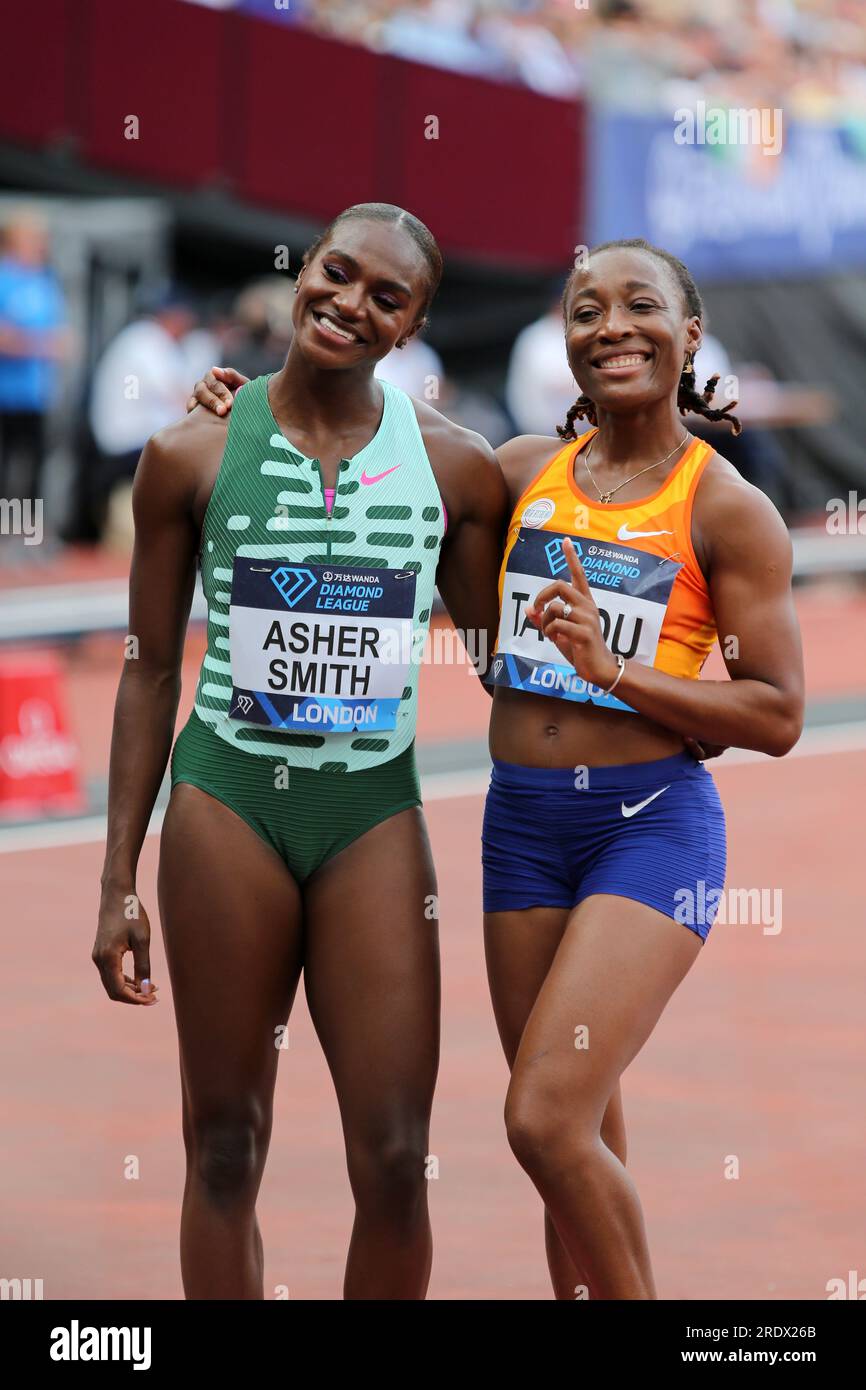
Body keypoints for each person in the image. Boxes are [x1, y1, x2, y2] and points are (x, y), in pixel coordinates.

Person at [189, 236, 804, 1300]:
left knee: (542, 1116)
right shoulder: (516, 471)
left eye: (638, 307)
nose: (609, 326)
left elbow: (777, 711)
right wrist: (251, 406)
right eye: (583, 311)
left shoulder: (724, 508)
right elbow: (366, 437)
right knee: (576, 1140)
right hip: (523, 830)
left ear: (689, 333)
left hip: (648, 824)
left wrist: (622, 675)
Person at [92, 203, 506, 1301]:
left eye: (386, 298)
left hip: (371, 812)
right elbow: (145, 668)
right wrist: (115, 879)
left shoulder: (455, 470)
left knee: (393, 1160)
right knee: (224, 1144)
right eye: (337, 273)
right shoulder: (187, 451)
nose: (348, 304)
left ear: (412, 328)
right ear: (302, 268)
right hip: (227, 801)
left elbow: (509, 663)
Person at [0, 212, 68, 507]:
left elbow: (63, 339)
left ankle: (29, 535)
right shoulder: (4, 278)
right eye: (33, 239)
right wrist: (40, 344)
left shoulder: (45, 282)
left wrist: (29, 343)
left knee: (35, 466)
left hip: (35, 395)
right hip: (5, 393)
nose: (41, 246)